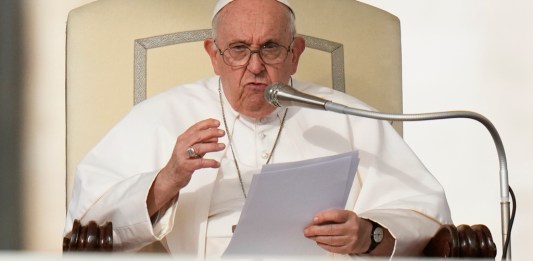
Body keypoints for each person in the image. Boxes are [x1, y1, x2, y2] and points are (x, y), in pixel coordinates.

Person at [65, 0, 452, 258]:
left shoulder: (345, 115)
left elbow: (424, 211)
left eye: (269, 47)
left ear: (295, 53)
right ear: (213, 55)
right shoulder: (162, 115)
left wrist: (370, 236)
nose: (254, 66)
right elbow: (86, 222)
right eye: (237, 49)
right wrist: (166, 180)